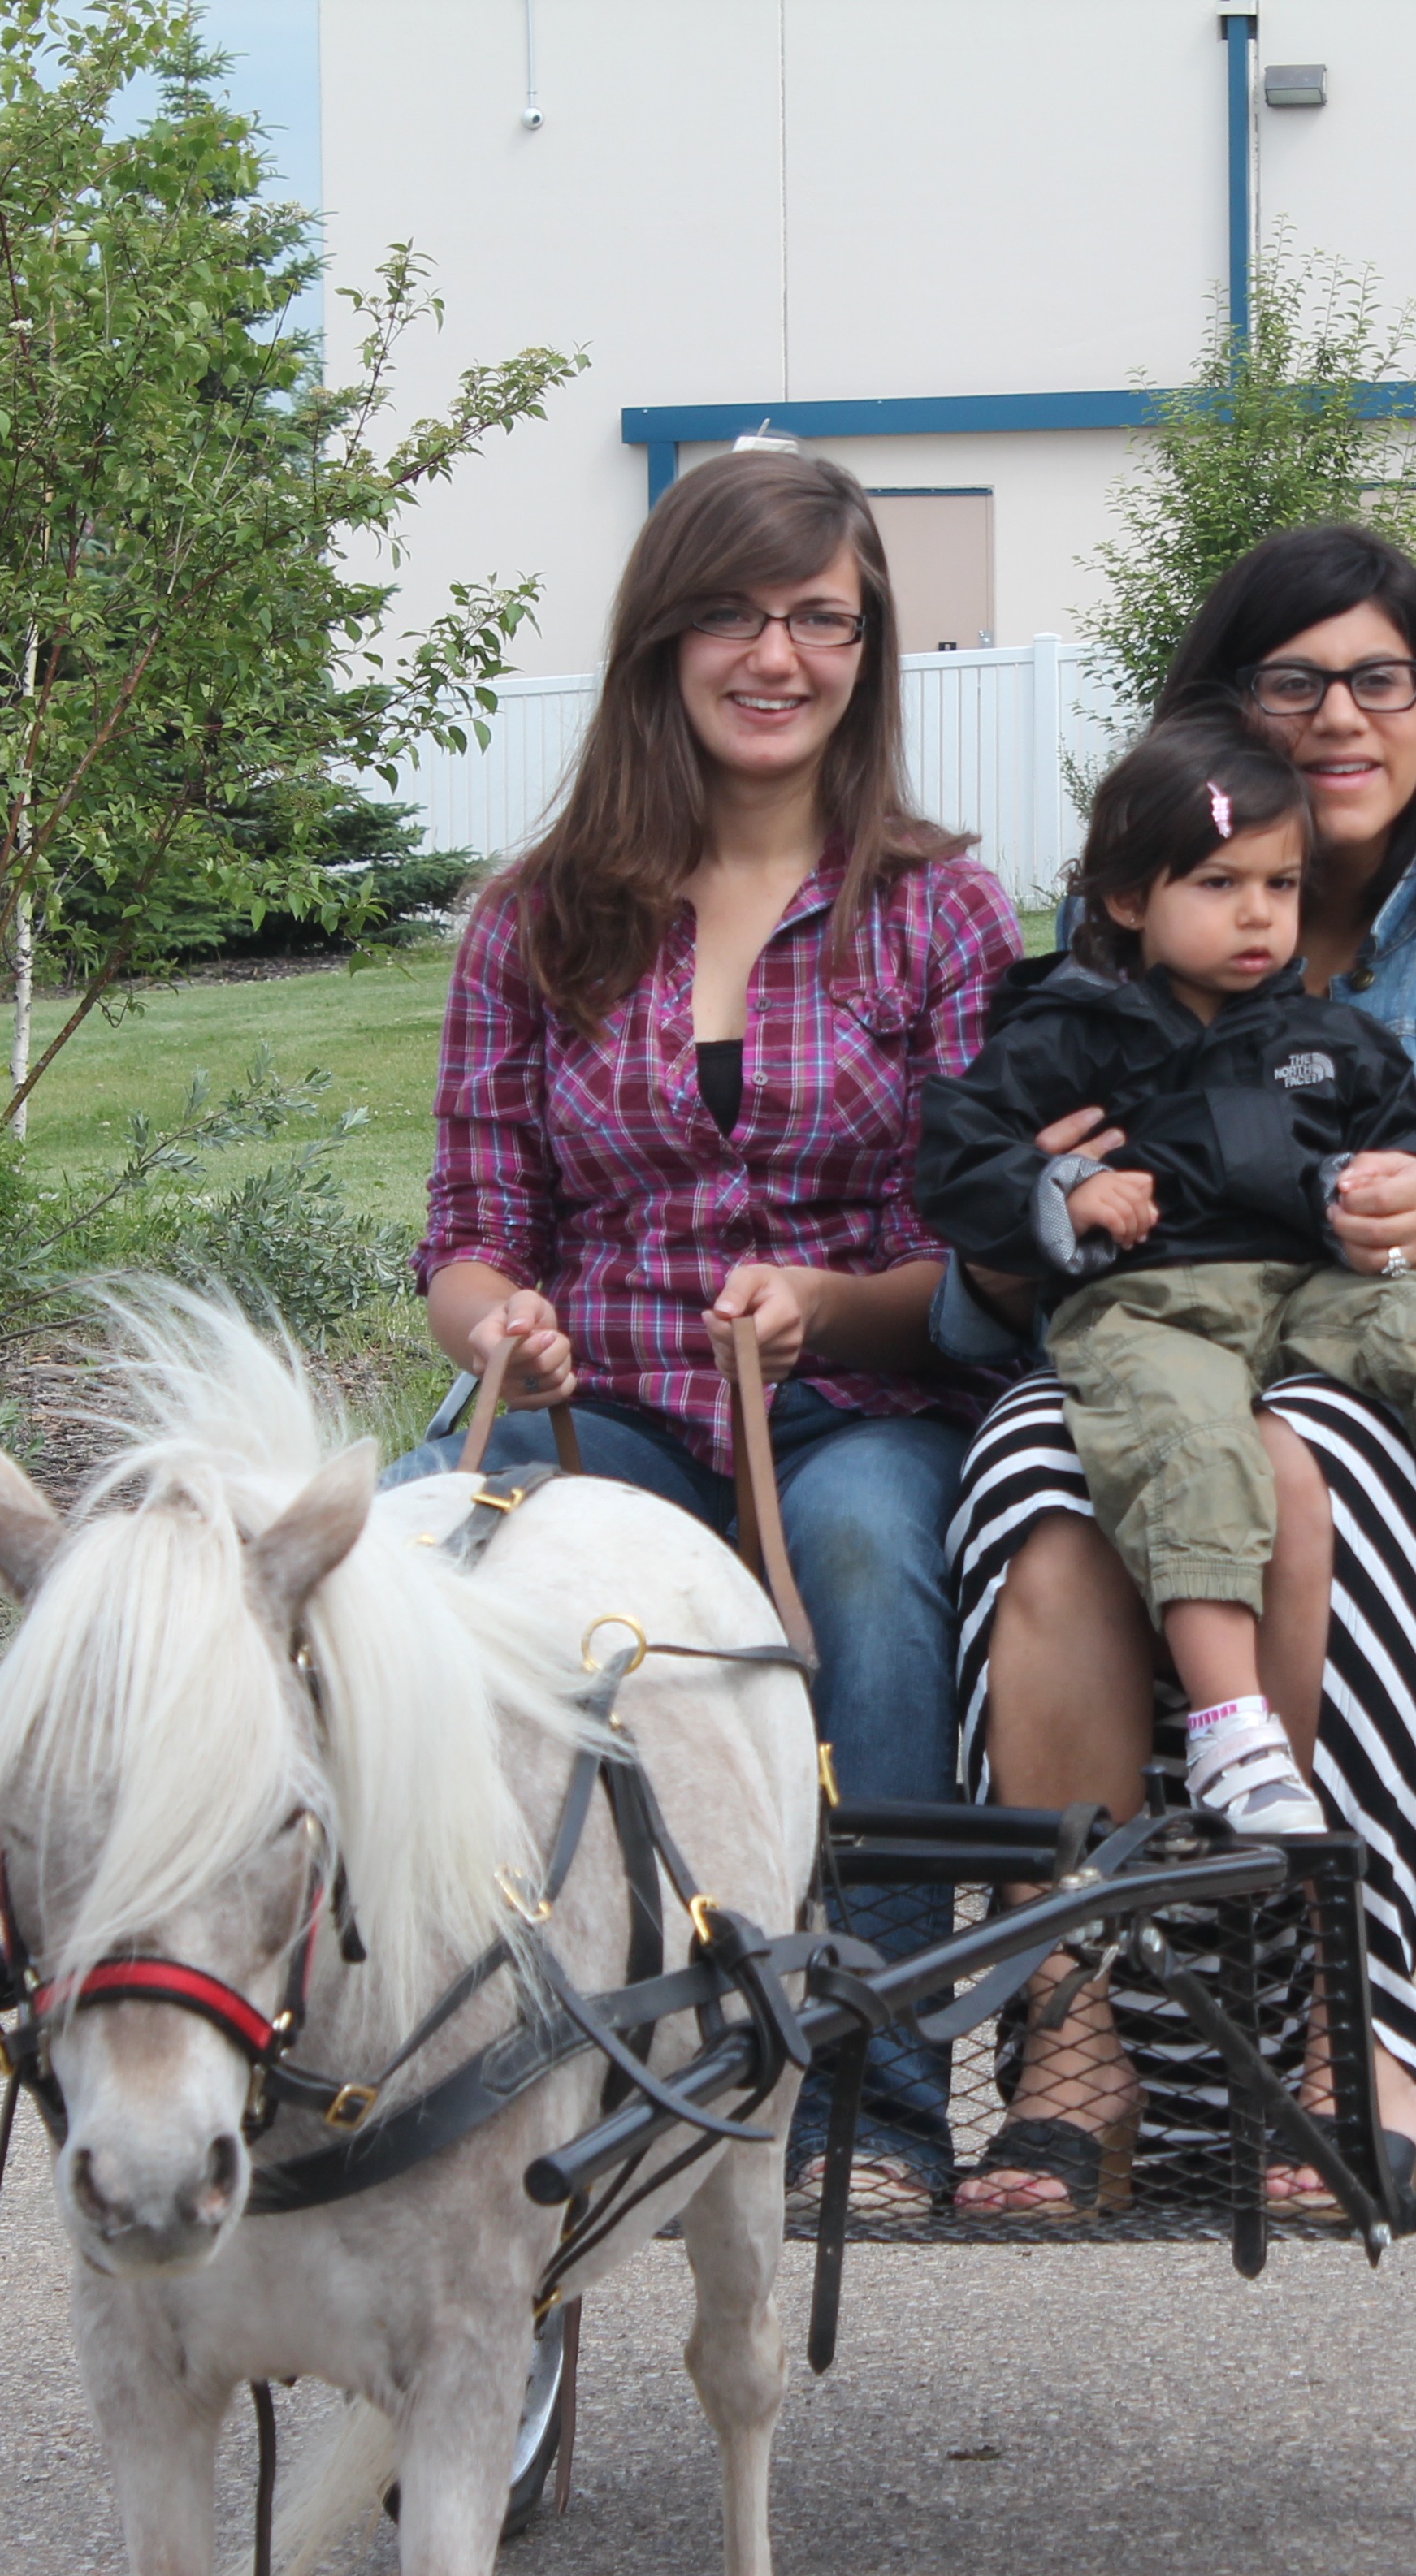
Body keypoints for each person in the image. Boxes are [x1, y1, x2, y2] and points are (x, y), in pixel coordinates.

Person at [939, 525, 1416, 2219]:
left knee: (1318, 1458)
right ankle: (1076, 2052)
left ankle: (1348, 2030)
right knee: (1037, 1491)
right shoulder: (1108, 960)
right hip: (1170, 1365)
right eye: (1293, 681)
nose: (1338, 717)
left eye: (1378, 677)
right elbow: (989, 1281)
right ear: (1222, 720)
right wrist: (1033, 1224)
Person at [393, 448, 1015, 2218]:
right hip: (607, 1411)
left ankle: (873, 2102)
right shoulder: (536, 921)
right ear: (665, 639)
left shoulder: (938, 908)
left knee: (877, 1564)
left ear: (867, 648)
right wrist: (500, 1318)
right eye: (738, 614)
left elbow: (978, 1261)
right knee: (422, 1561)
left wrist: (825, 1309)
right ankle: (442, 2041)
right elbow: (468, 1230)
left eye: (823, 619)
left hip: (862, 1402)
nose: (779, 657)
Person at [918, 711, 1416, 1843]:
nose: (1258, 914)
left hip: (1306, 1286)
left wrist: (1393, 1191)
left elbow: (1404, 1148)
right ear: (1123, 900)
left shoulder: (1324, 1036)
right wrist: (1056, 1191)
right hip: (1148, 1306)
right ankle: (1233, 1724)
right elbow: (957, 1156)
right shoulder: (1067, 1029)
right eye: (1218, 882)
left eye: (1282, 884)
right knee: (1195, 1442)